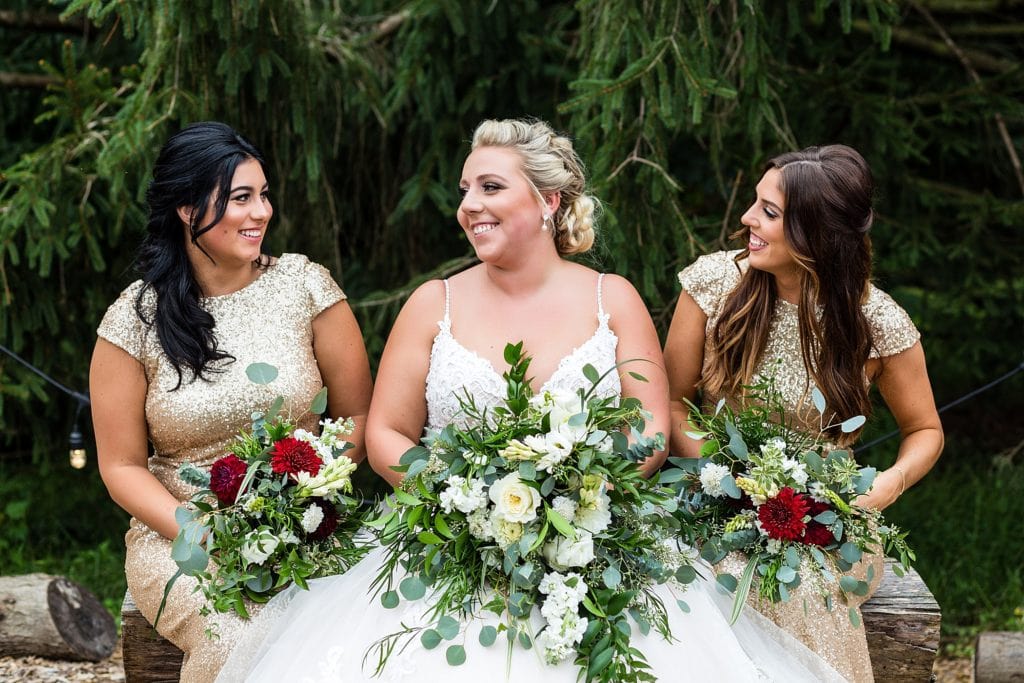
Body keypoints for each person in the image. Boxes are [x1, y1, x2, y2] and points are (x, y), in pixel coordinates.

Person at [217, 119, 845, 682]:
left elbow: (653, 425)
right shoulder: (432, 303)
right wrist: (459, 497)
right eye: (465, 190)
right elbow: (385, 433)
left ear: (548, 202)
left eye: (490, 188)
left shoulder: (613, 298)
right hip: (452, 545)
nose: (469, 205)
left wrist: (584, 492)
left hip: (601, 544)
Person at [90, 121, 373, 682]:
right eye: (241, 198)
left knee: (361, 626)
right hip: (180, 537)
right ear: (188, 211)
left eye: (263, 194)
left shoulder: (305, 286)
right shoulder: (135, 320)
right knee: (241, 630)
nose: (261, 212)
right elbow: (120, 465)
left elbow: (357, 416)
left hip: (304, 522)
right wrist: (199, 531)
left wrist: (305, 493)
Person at [663, 144, 944, 682]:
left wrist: (889, 484)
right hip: (710, 496)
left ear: (818, 234)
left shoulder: (876, 321)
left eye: (769, 212)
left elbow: (926, 430)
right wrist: (729, 478)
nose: (747, 218)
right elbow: (672, 401)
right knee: (717, 571)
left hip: (824, 517)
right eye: (756, 203)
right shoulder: (714, 284)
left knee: (800, 584)